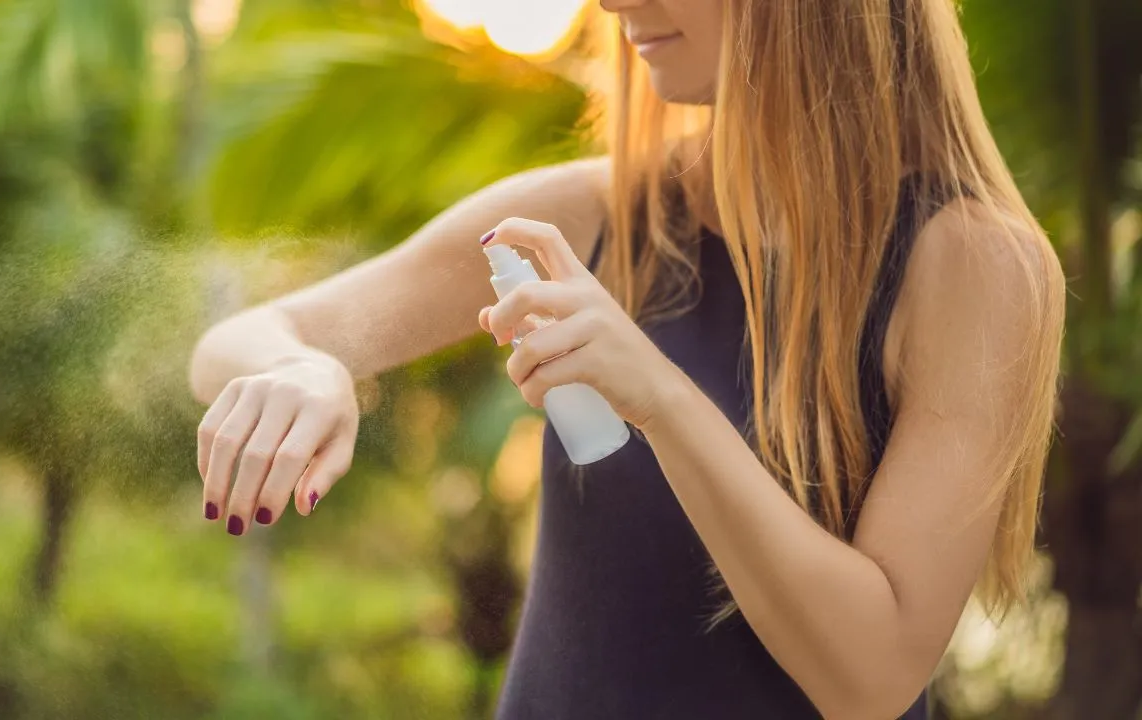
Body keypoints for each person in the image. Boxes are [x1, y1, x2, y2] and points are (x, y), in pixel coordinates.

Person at [188, 0, 1066, 717]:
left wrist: (661, 397)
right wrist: (306, 370)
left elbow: (872, 678)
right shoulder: (599, 219)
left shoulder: (977, 269)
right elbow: (240, 342)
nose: (612, 3)